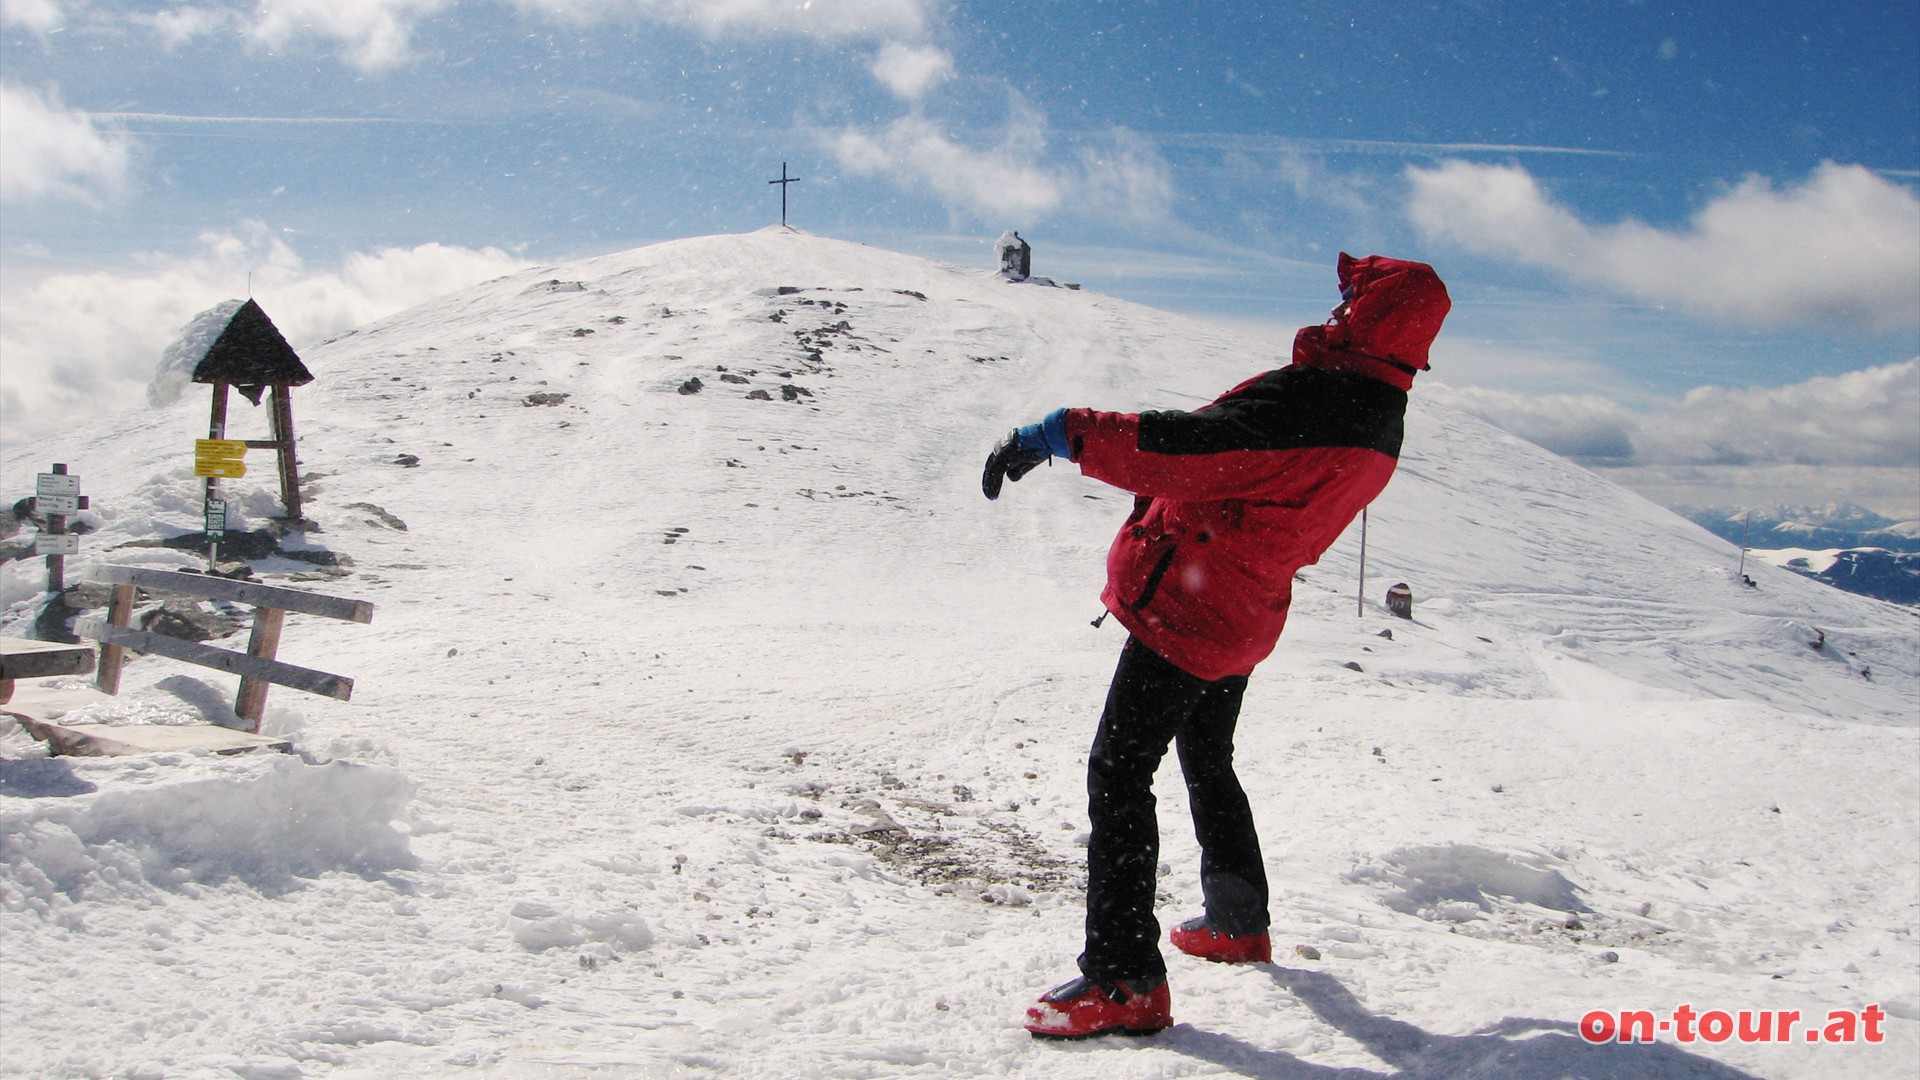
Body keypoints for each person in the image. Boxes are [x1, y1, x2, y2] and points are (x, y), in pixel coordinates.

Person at [983, 253, 1451, 1039]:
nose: (1336, 310)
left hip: (1192, 611)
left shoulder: (1323, 399)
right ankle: (1238, 921)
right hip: (1246, 607)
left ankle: (1124, 979)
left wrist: (1062, 433)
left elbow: (1192, 450)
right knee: (1206, 753)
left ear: (1367, 314)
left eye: (1350, 300)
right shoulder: (1378, 412)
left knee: (1119, 769)